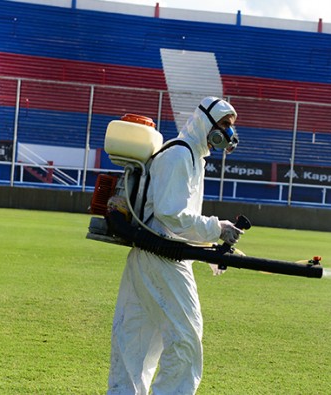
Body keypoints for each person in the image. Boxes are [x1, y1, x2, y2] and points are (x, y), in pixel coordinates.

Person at [107, 96, 244, 394]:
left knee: (138, 339)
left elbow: (177, 217)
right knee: (184, 338)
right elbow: (171, 213)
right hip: (162, 257)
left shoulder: (193, 157)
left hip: (153, 255)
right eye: (224, 124)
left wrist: (209, 247)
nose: (229, 132)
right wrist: (216, 228)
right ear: (205, 122)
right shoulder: (180, 155)